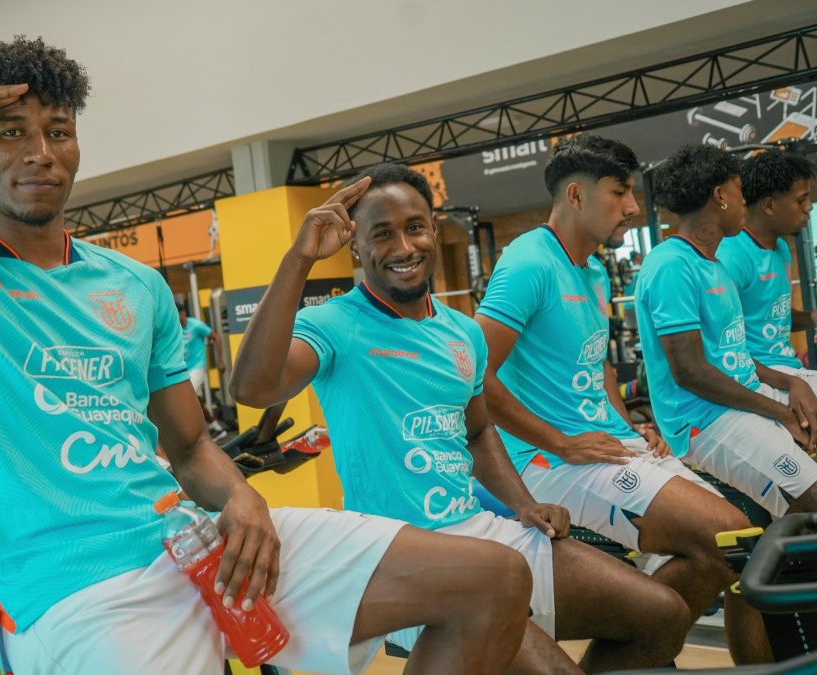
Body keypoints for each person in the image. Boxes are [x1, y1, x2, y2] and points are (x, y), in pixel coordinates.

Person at [0, 36, 533, 674]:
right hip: (70, 590)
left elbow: (188, 442)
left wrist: (242, 500)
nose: (39, 153)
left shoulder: (135, 284)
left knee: (491, 579)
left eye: (57, 132)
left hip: (192, 539)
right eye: (11, 134)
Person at [230, 162, 690, 673]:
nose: (404, 248)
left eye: (414, 227)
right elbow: (252, 388)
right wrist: (298, 259)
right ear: (355, 246)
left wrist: (524, 503)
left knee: (662, 613)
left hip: (477, 527)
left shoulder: (462, 332)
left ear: (433, 226)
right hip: (403, 553)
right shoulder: (336, 324)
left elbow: (477, 431)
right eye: (382, 234)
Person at [473, 135, 765, 662]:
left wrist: (626, 426)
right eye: (619, 192)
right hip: (545, 460)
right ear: (577, 196)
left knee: (731, 547)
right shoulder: (529, 262)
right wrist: (559, 442)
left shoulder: (593, 269)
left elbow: (596, 363)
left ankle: (637, 642)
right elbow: (472, 374)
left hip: (603, 444)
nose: (632, 208)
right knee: (728, 535)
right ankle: (639, 638)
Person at [635, 144, 817, 525]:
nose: (744, 199)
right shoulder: (671, 265)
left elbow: (734, 357)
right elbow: (691, 372)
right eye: (738, 190)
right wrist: (781, 413)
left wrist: (790, 384)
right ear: (720, 197)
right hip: (704, 418)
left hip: (744, 399)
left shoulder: (711, 263)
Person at [716, 150, 816, 386]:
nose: (809, 207)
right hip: (757, 376)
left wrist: (812, 317)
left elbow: (774, 319)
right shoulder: (731, 257)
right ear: (770, 206)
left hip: (787, 366)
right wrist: (790, 383)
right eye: (801, 200)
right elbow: (719, 346)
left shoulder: (779, 247)